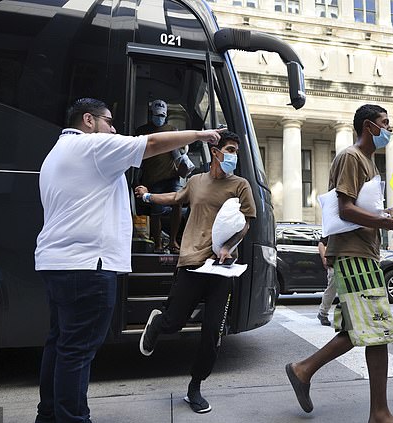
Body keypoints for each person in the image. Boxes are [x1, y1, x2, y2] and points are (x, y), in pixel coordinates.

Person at [33, 97, 221, 423]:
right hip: (88, 267)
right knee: (76, 352)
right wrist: (198, 135)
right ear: (88, 120)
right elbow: (149, 143)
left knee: (61, 344)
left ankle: (48, 415)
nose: (114, 129)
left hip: (59, 265)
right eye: (109, 121)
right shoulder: (91, 147)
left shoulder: (57, 153)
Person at [285, 104, 393, 423]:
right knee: (377, 331)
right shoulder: (351, 157)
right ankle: (380, 414)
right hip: (353, 255)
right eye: (384, 123)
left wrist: (390, 217)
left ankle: (302, 370)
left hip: (363, 252)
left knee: (355, 330)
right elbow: (345, 208)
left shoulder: (370, 164)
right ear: (368, 127)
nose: (389, 129)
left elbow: (363, 211)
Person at [136, 130, 256, 414]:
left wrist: (228, 246)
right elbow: (177, 198)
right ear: (215, 152)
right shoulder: (196, 181)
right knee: (173, 323)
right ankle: (157, 323)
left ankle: (195, 387)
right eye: (229, 149)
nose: (233, 156)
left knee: (212, 333)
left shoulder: (240, 185)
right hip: (191, 262)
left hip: (222, 269)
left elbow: (246, 224)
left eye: (236, 151)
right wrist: (149, 196)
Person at [136, 99, 194, 253]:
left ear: (166, 115)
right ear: (151, 114)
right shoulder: (142, 131)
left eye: (162, 115)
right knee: (156, 211)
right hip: (152, 177)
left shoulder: (172, 129)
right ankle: (158, 244)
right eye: (156, 115)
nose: (159, 118)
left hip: (172, 175)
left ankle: (173, 241)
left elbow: (181, 151)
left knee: (178, 204)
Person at [316, 236, 335, 326]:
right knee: (332, 289)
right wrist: (324, 259)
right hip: (335, 263)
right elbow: (321, 243)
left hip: (349, 262)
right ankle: (323, 313)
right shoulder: (333, 227)